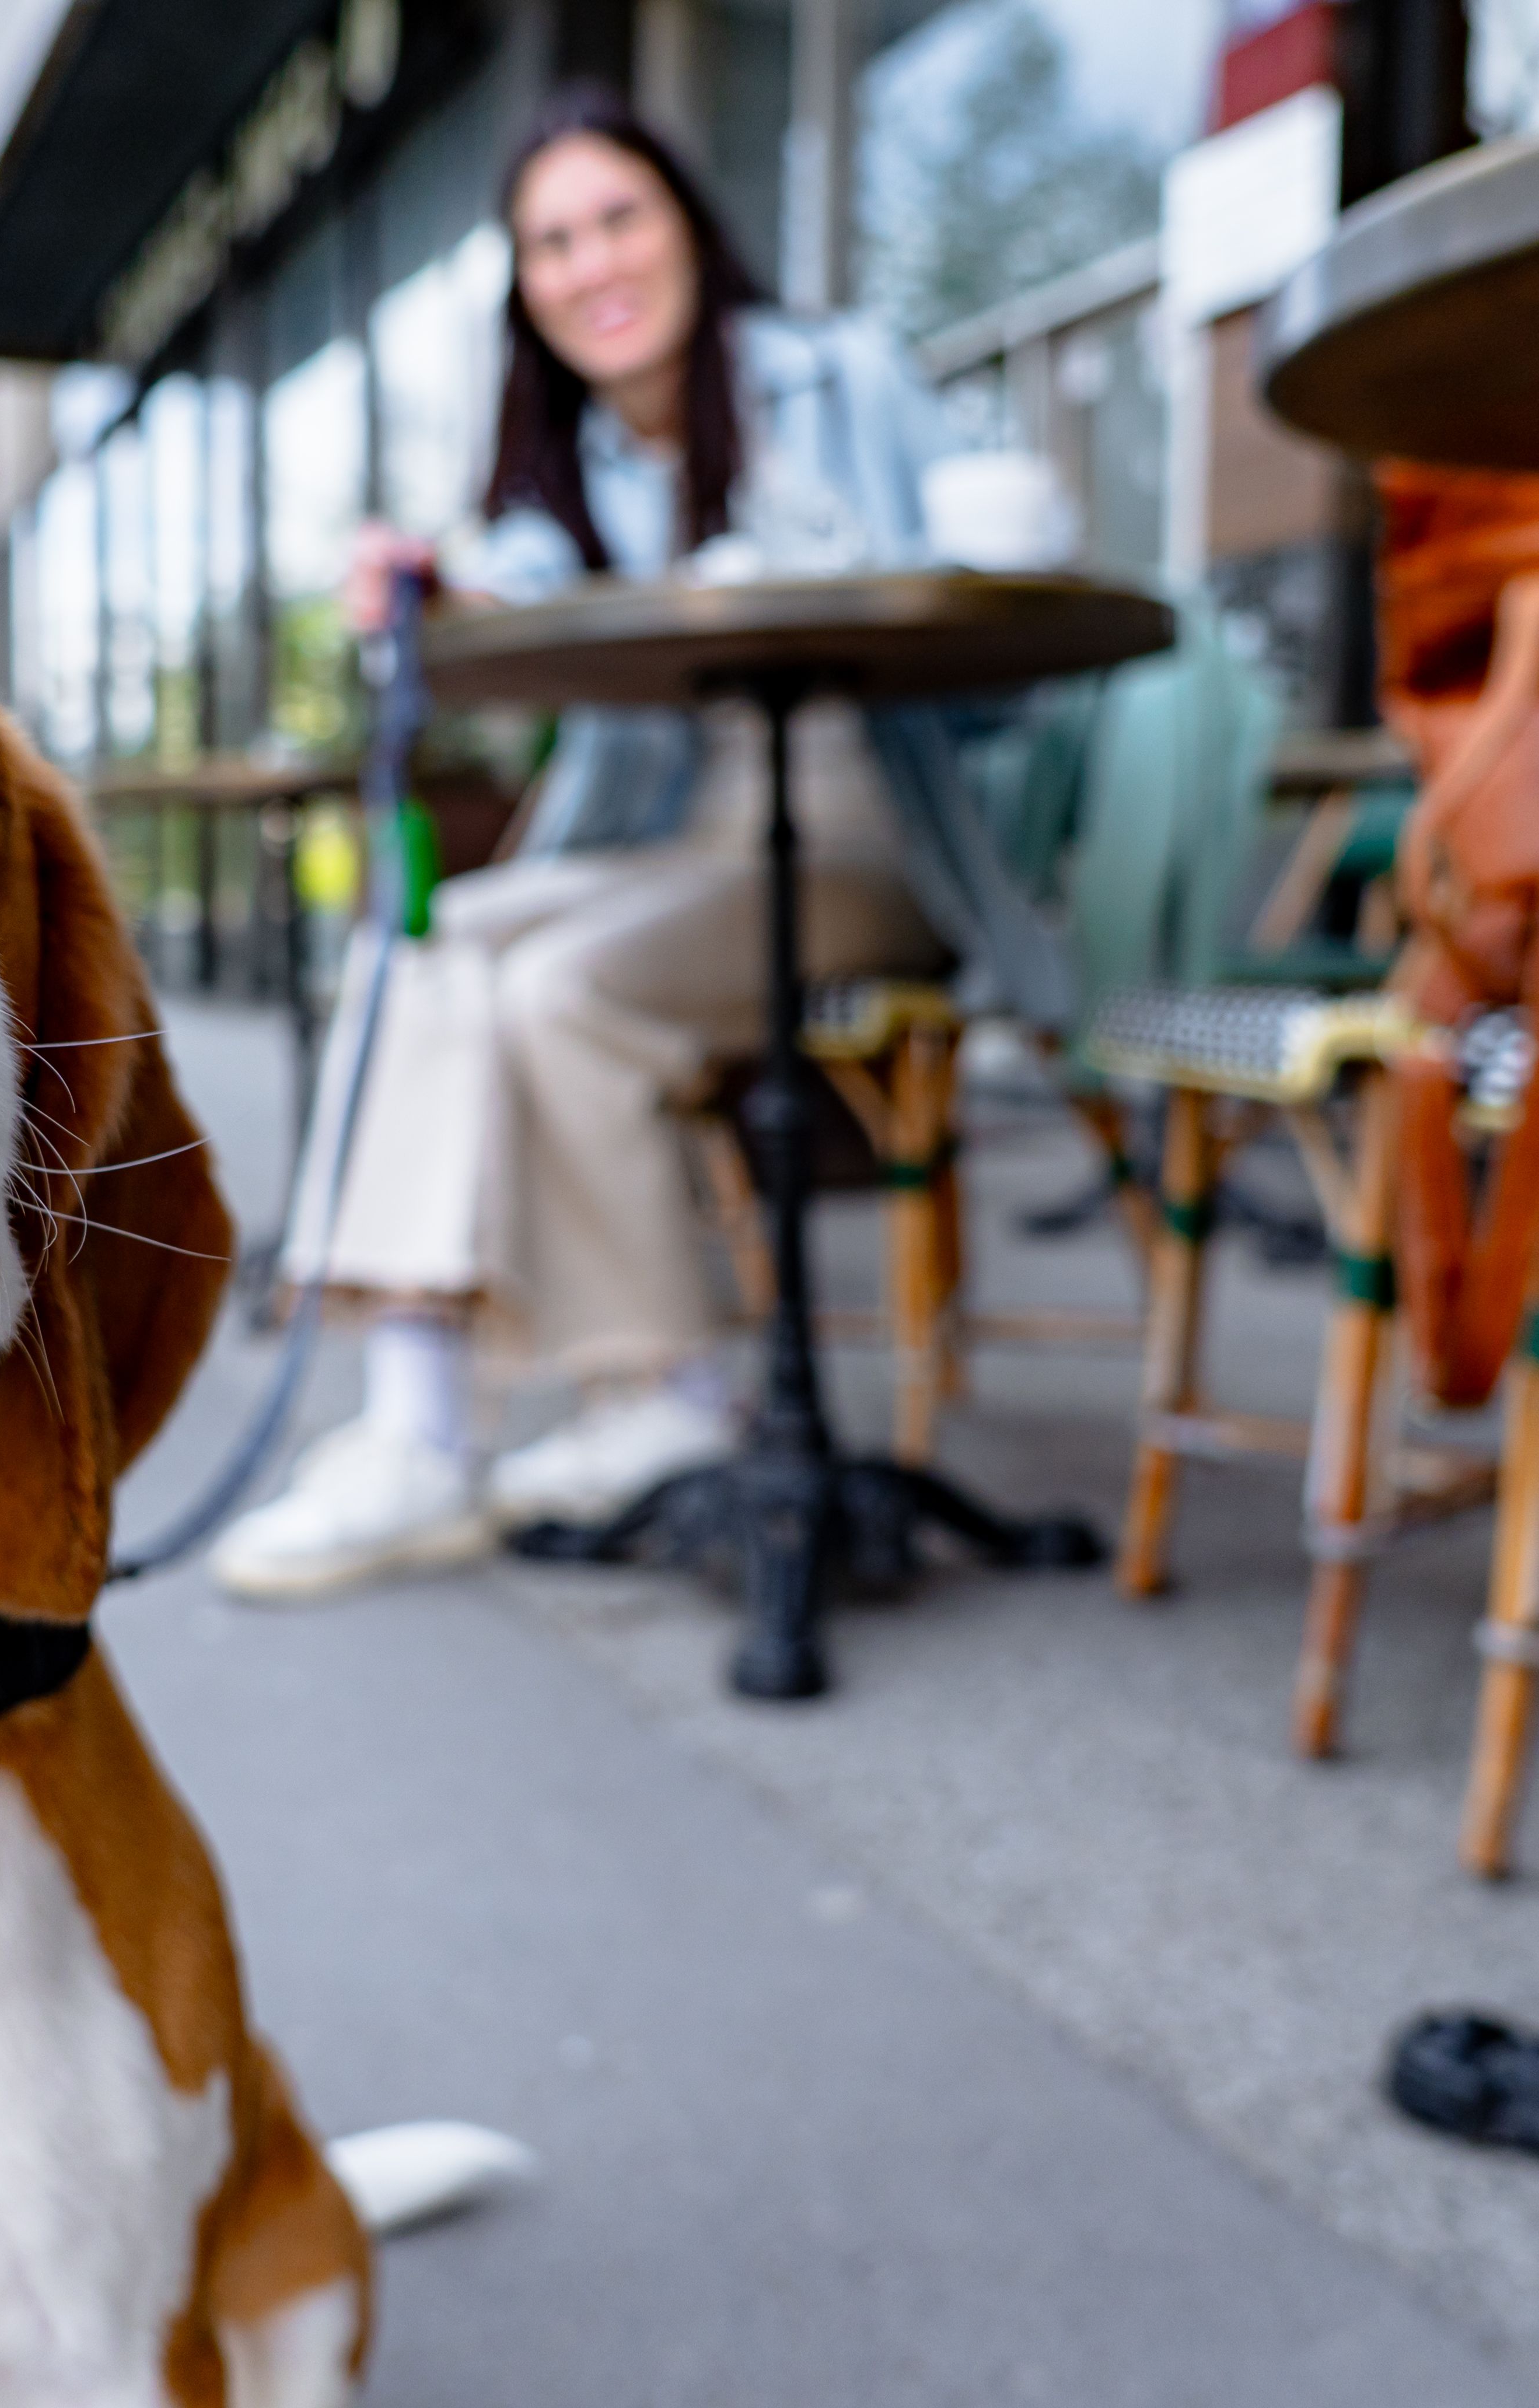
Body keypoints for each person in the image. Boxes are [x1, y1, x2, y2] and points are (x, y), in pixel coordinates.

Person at [210, 86, 1059, 1600]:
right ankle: (414, 1432)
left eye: (619, 218)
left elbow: (994, 618)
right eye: (551, 242)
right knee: (424, 948)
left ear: (686, 226)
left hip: (873, 834)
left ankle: (665, 1396)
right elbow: (506, 585)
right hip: (692, 848)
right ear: (526, 290)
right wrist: (432, 581)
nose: (591, 262)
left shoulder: (839, 377)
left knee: (563, 989)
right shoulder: (584, 458)